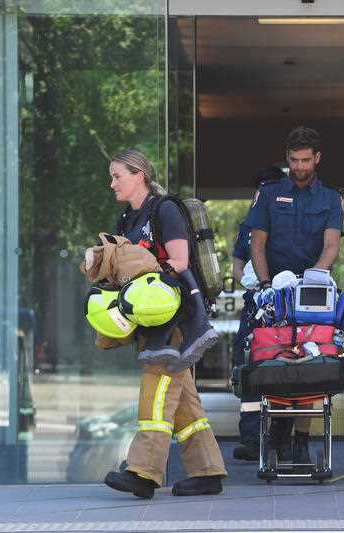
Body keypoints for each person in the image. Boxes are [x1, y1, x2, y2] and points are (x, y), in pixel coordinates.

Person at [102, 149, 227, 499]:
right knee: (185, 403)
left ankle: (143, 472)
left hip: (176, 320)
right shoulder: (128, 219)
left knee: (155, 394)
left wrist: (145, 281)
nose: (112, 184)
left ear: (139, 175)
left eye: (117, 176)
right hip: (151, 321)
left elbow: (179, 260)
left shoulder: (165, 210)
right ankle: (207, 471)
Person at [245, 126, 344, 465]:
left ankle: (300, 440)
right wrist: (265, 285)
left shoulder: (330, 198)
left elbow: (331, 246)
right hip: (274, 291)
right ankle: (277, 431)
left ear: (317, 158)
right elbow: (257, 244)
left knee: (312, 365)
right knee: (274, 359)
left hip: (312, 290)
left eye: (305, 160)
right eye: (294, 160)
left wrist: (312, 280)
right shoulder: (270, 195)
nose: (299, 166)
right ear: (287, 158)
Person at [230, 165, 287, 462]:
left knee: (286, 367)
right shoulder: (249, 225)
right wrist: (249, 282)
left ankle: (281, 439)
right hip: (256, 304)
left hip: (286, 305)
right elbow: (237, 265)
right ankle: (252, 439)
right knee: (247, 366)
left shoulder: (291, 222)